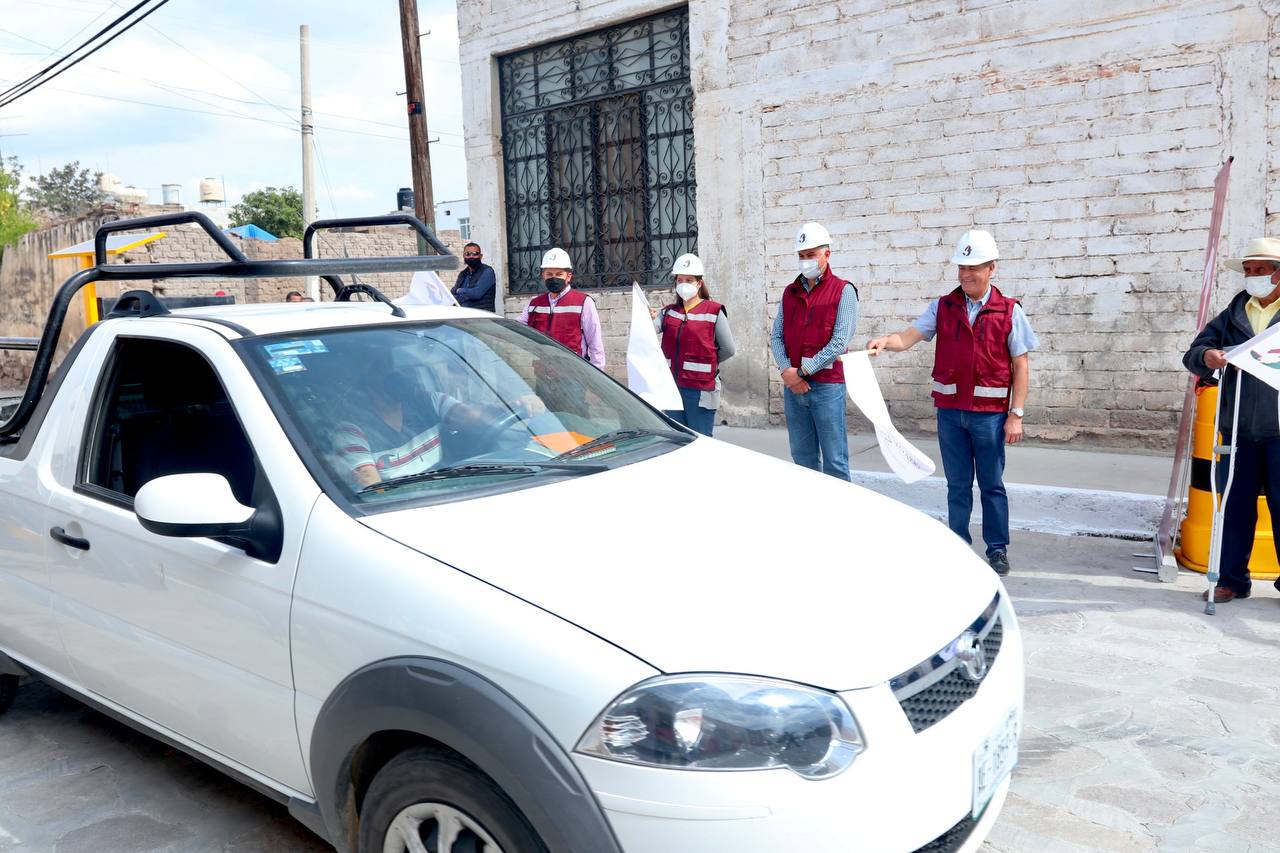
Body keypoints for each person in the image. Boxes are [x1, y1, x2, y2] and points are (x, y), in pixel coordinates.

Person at [866, 230, 1038, 576]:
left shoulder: (1009, 312)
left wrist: (1015, 415)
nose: (966, 274)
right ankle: (958, 542)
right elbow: (909, 337)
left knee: (991, 485)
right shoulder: (943, 307)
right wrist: (887, 341)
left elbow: (1021, 365)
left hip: (989, 417)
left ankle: (997, 548)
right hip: (951, 414)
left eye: (974, 267)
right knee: (957, 485)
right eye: (962, 267)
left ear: (992, 268)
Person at [1182, 236, 1280, 604]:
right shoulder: (1234, 314)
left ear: (1278, 275)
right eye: (1248, 271)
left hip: (1279, 429)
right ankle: (1232, 580)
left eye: (1260, 271)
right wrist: (1208, 356)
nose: (1252, 277)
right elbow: (1194, 352)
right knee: (1235, 508)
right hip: (1238, 428)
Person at [769, 222, 859, 480]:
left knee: (835, 461)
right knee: (802, 459)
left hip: (827, 388)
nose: (806, 260)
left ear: (826, 255)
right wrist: (786, 370)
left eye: (811, 255)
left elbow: (840, 341)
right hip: (793, 387)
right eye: (801, 256)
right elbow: (776, 336)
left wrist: (803, 371)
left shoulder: (843, 291)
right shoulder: (790, 292)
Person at [652, 253, 735, 436]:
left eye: (689, 280)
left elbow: (729, 349)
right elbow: (648, 332)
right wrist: (646, 315)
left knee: (700, 441)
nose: (683, 284)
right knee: (678, 440)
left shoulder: (714, 311)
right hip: (672, 387)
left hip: (700, 391)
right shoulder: (668, 312)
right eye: (680, 280)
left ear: (699, 283)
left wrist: (708, 361)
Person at [516, 248, 605, 417]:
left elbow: (595, 344)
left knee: (577, 425)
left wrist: (597, 384)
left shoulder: (583, 302)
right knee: (546, 425)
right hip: (543, 379)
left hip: (573, 380)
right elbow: (515, 327)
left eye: (559, 273)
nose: (554, 278)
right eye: (549, 274)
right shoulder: (534, 304)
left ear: (568, 276)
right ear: (543, 275)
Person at [452, 242, 498, 312]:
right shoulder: (463, 274)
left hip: (482, 317)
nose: (471, 256)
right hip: (465, 316)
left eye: (475, 254)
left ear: (481, 256)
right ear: (464, 256)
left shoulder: (487, 271)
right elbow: (453, 294)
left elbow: (476, 293)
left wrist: (459, 290)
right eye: (468, 254)